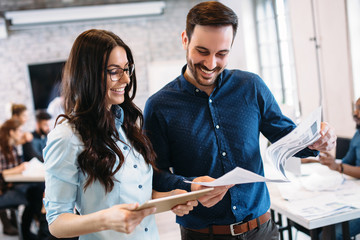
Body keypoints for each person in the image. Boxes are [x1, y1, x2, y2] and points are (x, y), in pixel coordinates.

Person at [143, 2, 337, 239]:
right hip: (202, 234)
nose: (211, 64)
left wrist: (317, 140)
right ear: (185, 39)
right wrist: (190, 187)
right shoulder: (159, 106)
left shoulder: (251, 87)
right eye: (202, 51)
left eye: (221, 54)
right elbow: (155, 174)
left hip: (262, 231)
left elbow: (287, 136)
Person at [43, 29, 197, 240]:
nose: (126, 79)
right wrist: (105, 220)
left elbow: (133, 195)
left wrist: (169, 198)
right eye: (114, 71)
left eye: (127, 69)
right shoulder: (66, 137)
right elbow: (57, 222)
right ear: (88, 74)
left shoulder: (125, 126)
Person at [319, 97, 360, 240]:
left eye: (359, 108)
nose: (356, 112)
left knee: (333, 235)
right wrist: (328, 160)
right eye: (355, 108)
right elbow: (346, 162)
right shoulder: (357, 135)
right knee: (324, 232)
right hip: (353, 195)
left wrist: (338, 167)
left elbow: (343, 166)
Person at [0, 118, 44, 240]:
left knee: (38, 189)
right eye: (19, 131)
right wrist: (18, 169)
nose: (21, 133)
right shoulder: (2, 149)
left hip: (12, 185)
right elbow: (2, 174)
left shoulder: (12, 147)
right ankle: (31, 232)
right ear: (11, 132)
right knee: (35, 195)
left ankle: (30, 232)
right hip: (3, 191)